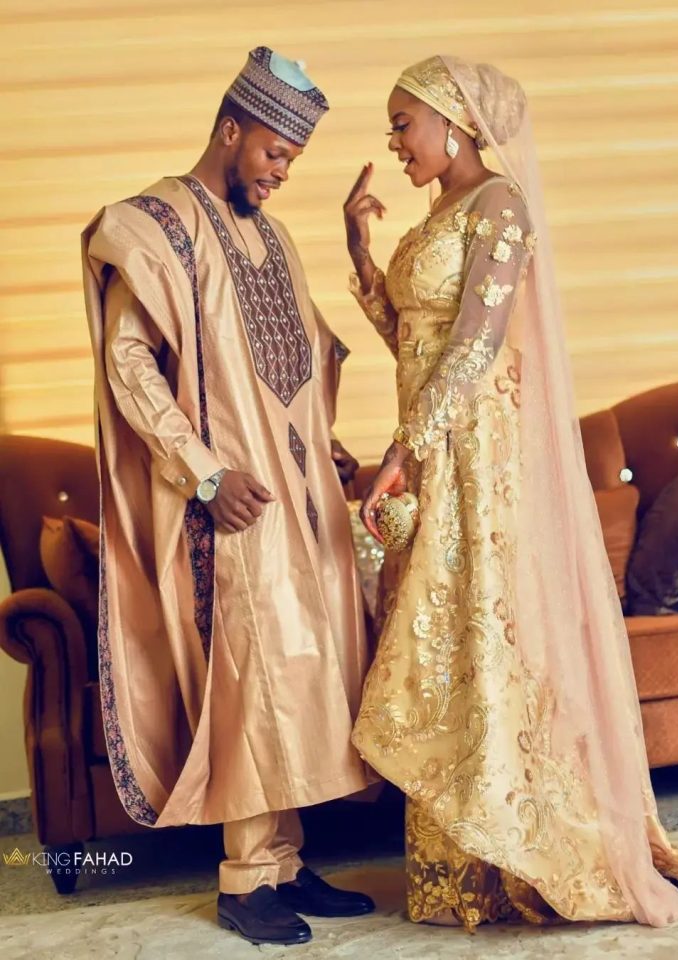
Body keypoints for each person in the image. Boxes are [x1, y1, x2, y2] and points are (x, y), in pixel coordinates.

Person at [345, 55, 678, 930]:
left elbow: (475, 347)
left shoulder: (500, 205)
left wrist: (400, 450)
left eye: (403, 123)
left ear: (454, 120)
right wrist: (359, 257)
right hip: (436, 449)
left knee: (483, 636)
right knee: (448, 647)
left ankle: (519, 855)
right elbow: (418, 343)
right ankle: (459, 873)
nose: (395, 141)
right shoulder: (440, 213)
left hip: (478, 456)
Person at [82, 46, 376, 947]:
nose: (281, 172)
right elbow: (129, 363)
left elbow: (298, 364)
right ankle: (245, 882)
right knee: (254, 677)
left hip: (296, 495)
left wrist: (322, 447)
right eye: (275, 153)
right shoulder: (157, 225)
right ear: (230, 128)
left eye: (293, 159)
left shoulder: (273, 236)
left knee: (302, 670)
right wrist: (204, 472)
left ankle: (282, 863)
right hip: (227, 502)